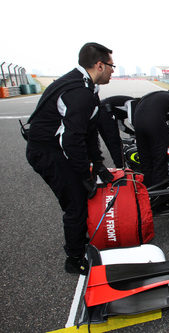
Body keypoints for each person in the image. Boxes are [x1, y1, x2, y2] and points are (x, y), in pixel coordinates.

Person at [26, 42, 115, 275]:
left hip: (56, 148)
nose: (113, 71)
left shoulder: (86, 87)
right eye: (111, 66)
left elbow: (89, 130)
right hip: (47, 152)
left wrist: (98, 164)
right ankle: (74, 259)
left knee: (78, 199)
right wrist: (84, 174)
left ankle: (77, 241)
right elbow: (71, 141)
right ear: (99, 65)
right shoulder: (78, 92)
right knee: (76, 203)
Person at [133, 91, 169, 187]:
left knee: (145, 160)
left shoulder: (153, 96)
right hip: (154, 124)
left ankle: (147, 189)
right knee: (159, 161)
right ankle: (159, 192)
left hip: (137, 121)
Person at [97, 95, 139, 168]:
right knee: (115, 142)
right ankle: (121, 167)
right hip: (105, 110)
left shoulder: (118, 109)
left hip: (101, 111)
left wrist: (133, 133)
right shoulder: (133, 103)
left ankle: (119, 166)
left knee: (111, 143)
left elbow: (121, 127)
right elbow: (133, 122)